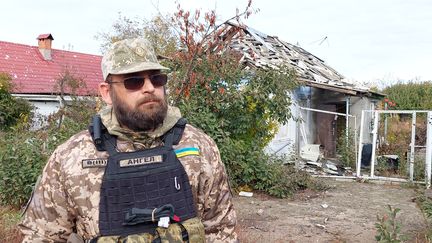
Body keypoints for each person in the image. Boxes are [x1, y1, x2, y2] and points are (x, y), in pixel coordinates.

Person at [19, 38, 238, 243]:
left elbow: (221, 230)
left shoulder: (199, 147)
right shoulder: (72, 157)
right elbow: (40, 235)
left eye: (157, 78)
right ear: (106, 92)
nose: (149, 87)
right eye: (134, 81)